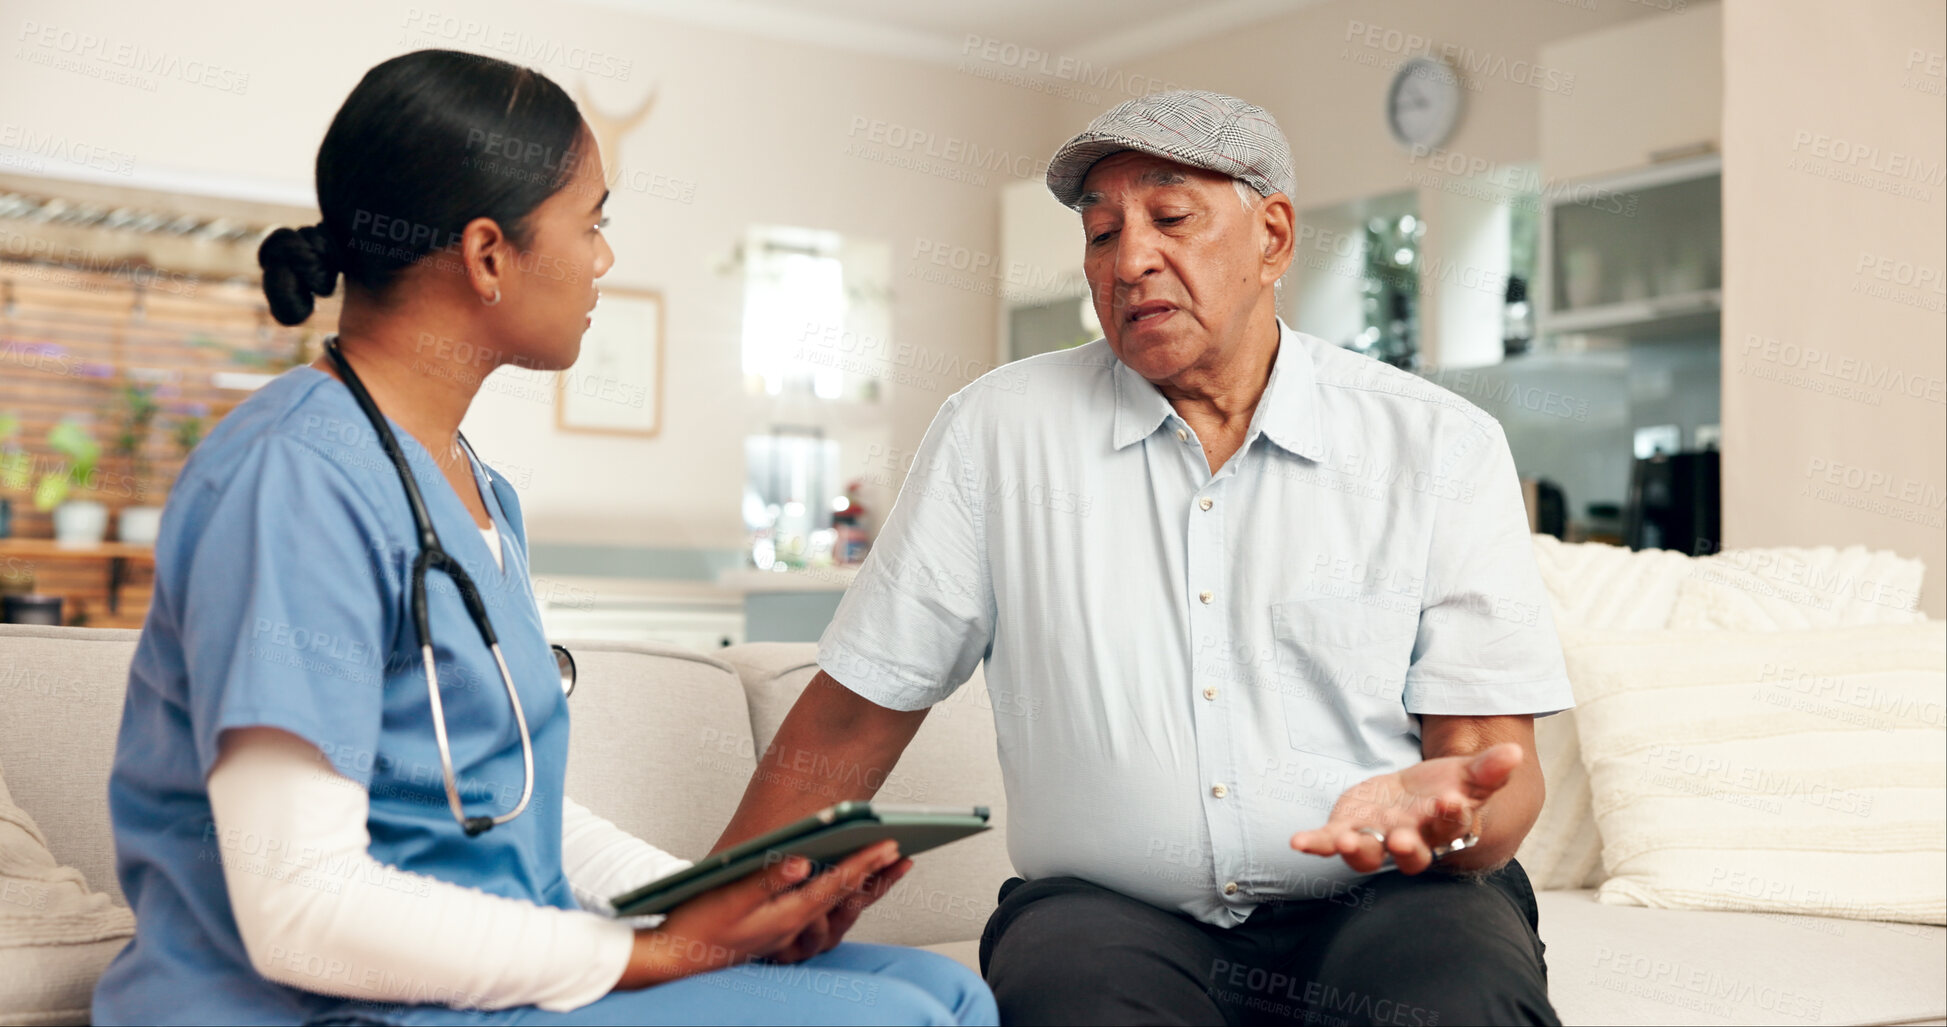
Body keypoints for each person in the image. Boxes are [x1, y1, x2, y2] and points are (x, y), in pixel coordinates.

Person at [91, 49, 996, 1027]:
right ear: (489, 254)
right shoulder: (294, 480)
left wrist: (718, 906)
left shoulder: (476, 490)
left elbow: (511, 810)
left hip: (469, 978)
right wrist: (645, 952)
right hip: (313, 1006)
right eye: (593, 222)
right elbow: (299, 911)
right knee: (894, 1019)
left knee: (941, 986)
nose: (604, 257)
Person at [712, 90, 1572, 1025]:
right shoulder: (996, 433)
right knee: (1071, 995)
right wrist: (701, 925)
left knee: (1462, 997)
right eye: (1099, 233)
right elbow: (851, 718)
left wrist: (1454, 818)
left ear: (1272, 237)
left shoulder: (1438, 444)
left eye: (1170, 218)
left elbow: (1491, 760)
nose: (1129, 260)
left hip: (1395, 902)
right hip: (1104, 916)